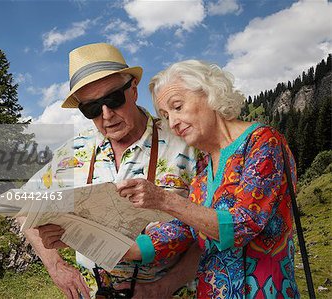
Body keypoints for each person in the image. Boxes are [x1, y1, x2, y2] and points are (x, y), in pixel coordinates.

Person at [17, 43, 202, 299]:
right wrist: (56, 265)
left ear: (134, 90)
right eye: (91, 108)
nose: (106, 115)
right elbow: (22, 202)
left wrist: (164, 287)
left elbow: (211, 230)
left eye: (113, 99)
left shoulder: (187, 144)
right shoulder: (73, 151)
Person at [117, 60, 300, 298]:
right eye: (165, 115)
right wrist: (118, 248)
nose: (172, 123)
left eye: (178, 107)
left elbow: (242, 225)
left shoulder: (263, 142)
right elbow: (180, 231)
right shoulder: (203, 175)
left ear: (210, 93)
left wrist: (162, 199)